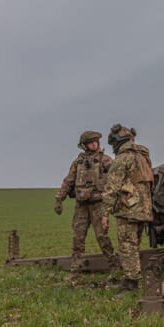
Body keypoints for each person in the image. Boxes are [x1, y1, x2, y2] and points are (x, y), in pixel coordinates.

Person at [54, 131, 119, 285]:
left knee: (102, 237)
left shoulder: (105, 160)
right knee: (78, 238)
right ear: (84, 145)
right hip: (81, 206)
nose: (95, 144)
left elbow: (117, 176)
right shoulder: (78, 162)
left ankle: (115, 267)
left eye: (96, 141)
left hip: (98, 204)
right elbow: (68, 181)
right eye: (91, 142)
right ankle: (75, 271)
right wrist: (59, 199)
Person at [101, 124, 154, 291]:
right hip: (144, 208)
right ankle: (132, 276)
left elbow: (112, 187)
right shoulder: (142, 156)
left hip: (128, 209)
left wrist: (104, 213)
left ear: (117, 142)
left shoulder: (122, 158)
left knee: (127, 246)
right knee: (134, 244)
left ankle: (131, 282)